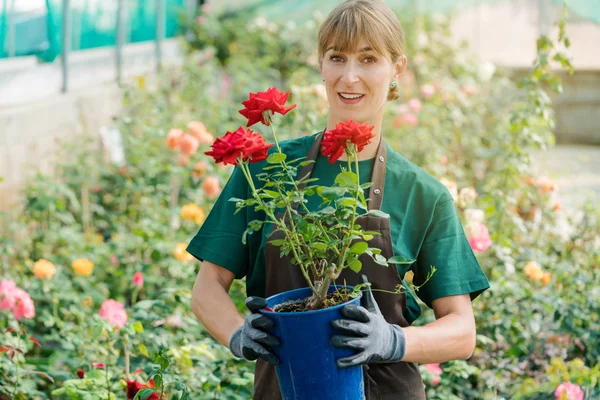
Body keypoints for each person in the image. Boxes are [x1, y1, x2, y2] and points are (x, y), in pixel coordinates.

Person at [188, 0, 490, 398]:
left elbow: (462, 330)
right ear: (321, 65)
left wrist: (393, 341)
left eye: (368, 59)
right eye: (337, 57)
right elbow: (208, 285)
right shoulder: (265, 171)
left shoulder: (422, 194)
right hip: (284, 388)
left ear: (396, 69)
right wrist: (237, 335)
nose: (349, 77)